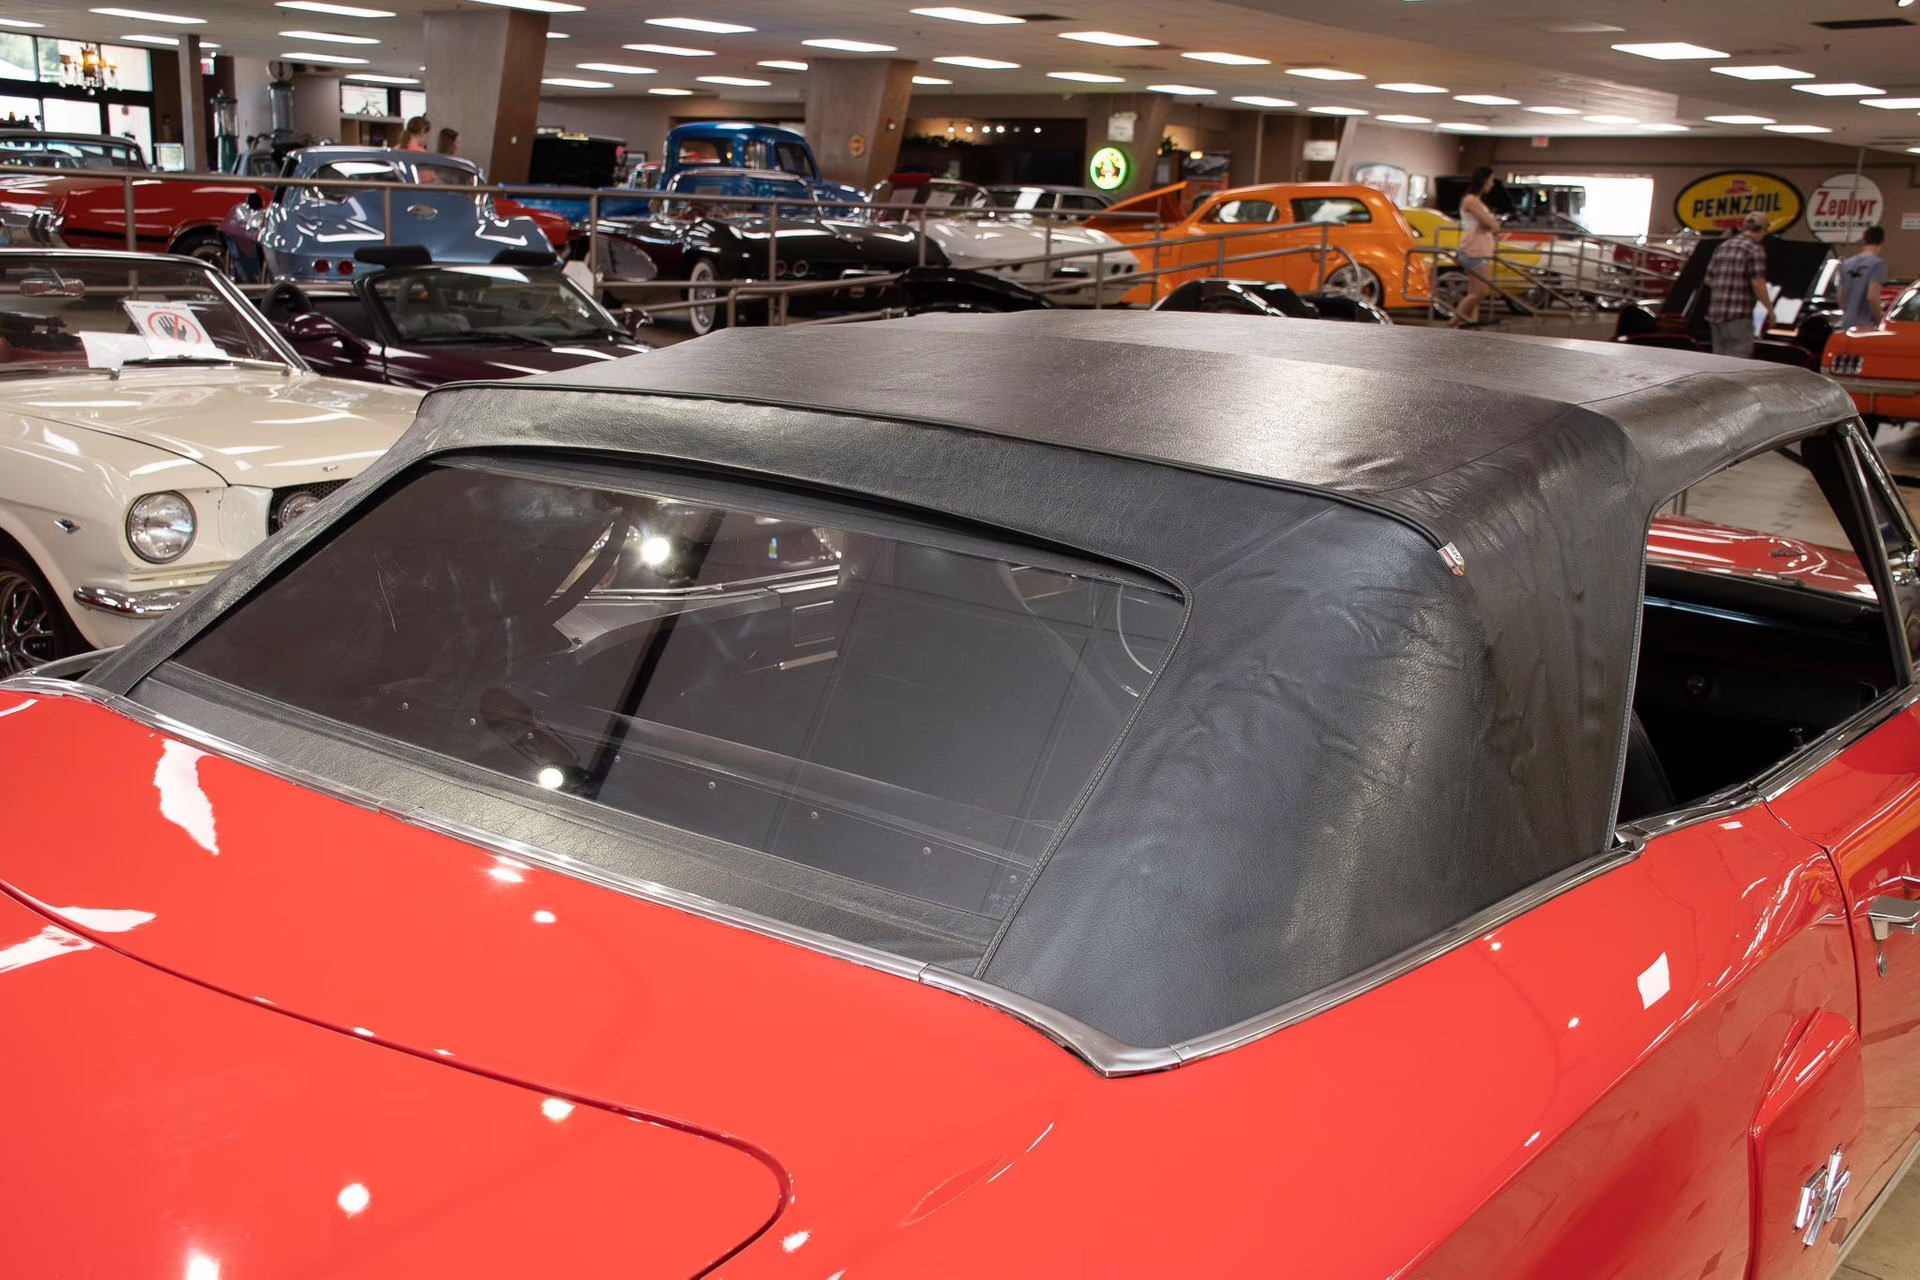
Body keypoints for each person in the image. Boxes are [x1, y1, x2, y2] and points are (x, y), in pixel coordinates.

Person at [1704, 212, 1773, 358]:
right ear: (1762, 229)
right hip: (1738, 316)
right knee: (1738, 362)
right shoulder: (1754, 249)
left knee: (1718, 361)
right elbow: (1758, 284)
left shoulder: (1723, 246)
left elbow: (1708, 279)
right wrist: (1770, 311)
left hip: (1715, 314)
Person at [1448, 166, 1500, 329]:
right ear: (1484, 180)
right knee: (1480, 292)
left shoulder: (1476, 200)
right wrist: (1493, 223)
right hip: (1474, 250)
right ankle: (1453, 322)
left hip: (1479, 249)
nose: (1492, 184)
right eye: (1491, 180)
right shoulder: (1471, 200)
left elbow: (1490, 224)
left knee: (1474, 293)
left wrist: (1492, 223)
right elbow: (1489, 224)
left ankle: (1471, 326)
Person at [1839, 225, 1889, 331]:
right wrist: (1880, 321)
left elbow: (1840, 296)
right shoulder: (1877, 264)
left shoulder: (1847, 264)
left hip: (1846, 323)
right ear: (1881, 243)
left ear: (1864, 240)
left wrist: (1848, 314)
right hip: (1866, 325)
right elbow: (1872, 297)